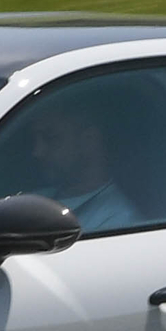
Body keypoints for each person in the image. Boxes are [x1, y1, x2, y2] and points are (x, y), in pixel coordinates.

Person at [21, 94, 141, 232]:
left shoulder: (117, 220)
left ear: (89, 140)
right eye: (34, 139)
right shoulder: (36, 199)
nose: (37, 151)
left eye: (51, 138)